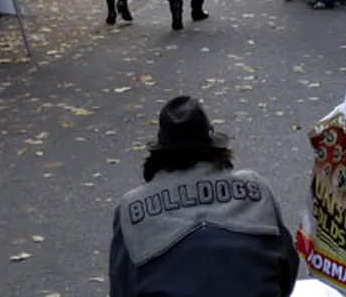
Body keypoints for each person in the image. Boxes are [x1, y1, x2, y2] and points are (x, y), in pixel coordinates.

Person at [109, 96, 299, 297]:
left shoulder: (131, 208)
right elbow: (287, 271)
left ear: (159, 154)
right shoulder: (257, 188)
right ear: (217, 148)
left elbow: (122, 288)